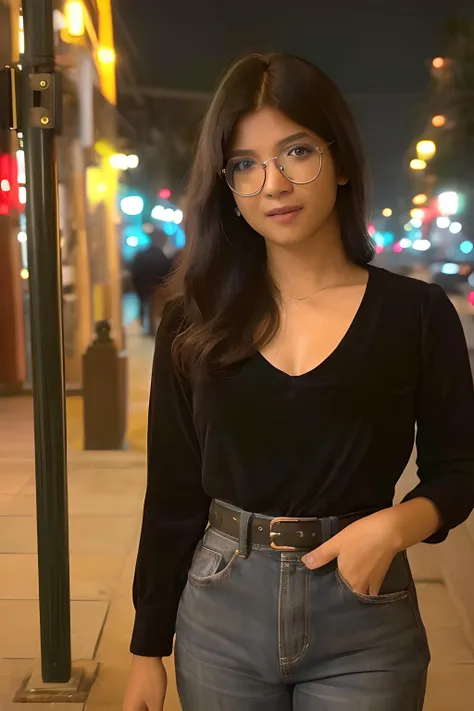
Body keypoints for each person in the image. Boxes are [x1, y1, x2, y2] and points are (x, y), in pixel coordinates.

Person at [123, 53, 474, 711]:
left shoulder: (416, 315)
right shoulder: (192, 319)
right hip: (221, 608)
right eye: (246, 165)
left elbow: (460, 467)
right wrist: (147, 648)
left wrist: (397, 525)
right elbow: (171, 491)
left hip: (365, 616)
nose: (274, 183)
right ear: (226, 185)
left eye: (297, 151)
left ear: (340, 161)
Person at [129, 230, 171, 336]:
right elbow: (166, 272)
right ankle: (151, 329)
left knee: (143, 304)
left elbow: (134, 271)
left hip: (142, 286)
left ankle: (144, 324)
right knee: (153, 307)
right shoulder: (161, 256)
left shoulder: (142, 254)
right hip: (156, 286)